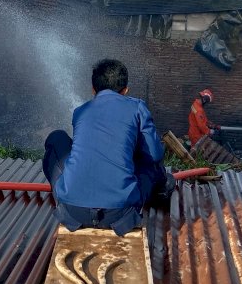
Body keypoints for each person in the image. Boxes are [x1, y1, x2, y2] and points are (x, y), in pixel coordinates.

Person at [42, 59, 174, 236]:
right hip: (120, 213)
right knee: (152, 165)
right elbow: (156, 154)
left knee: (56, 138)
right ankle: (162, 191)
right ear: (125, 90)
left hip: (73, 211)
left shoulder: (81, 111)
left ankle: (67, 191)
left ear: (93, 90)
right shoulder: (137, 108)